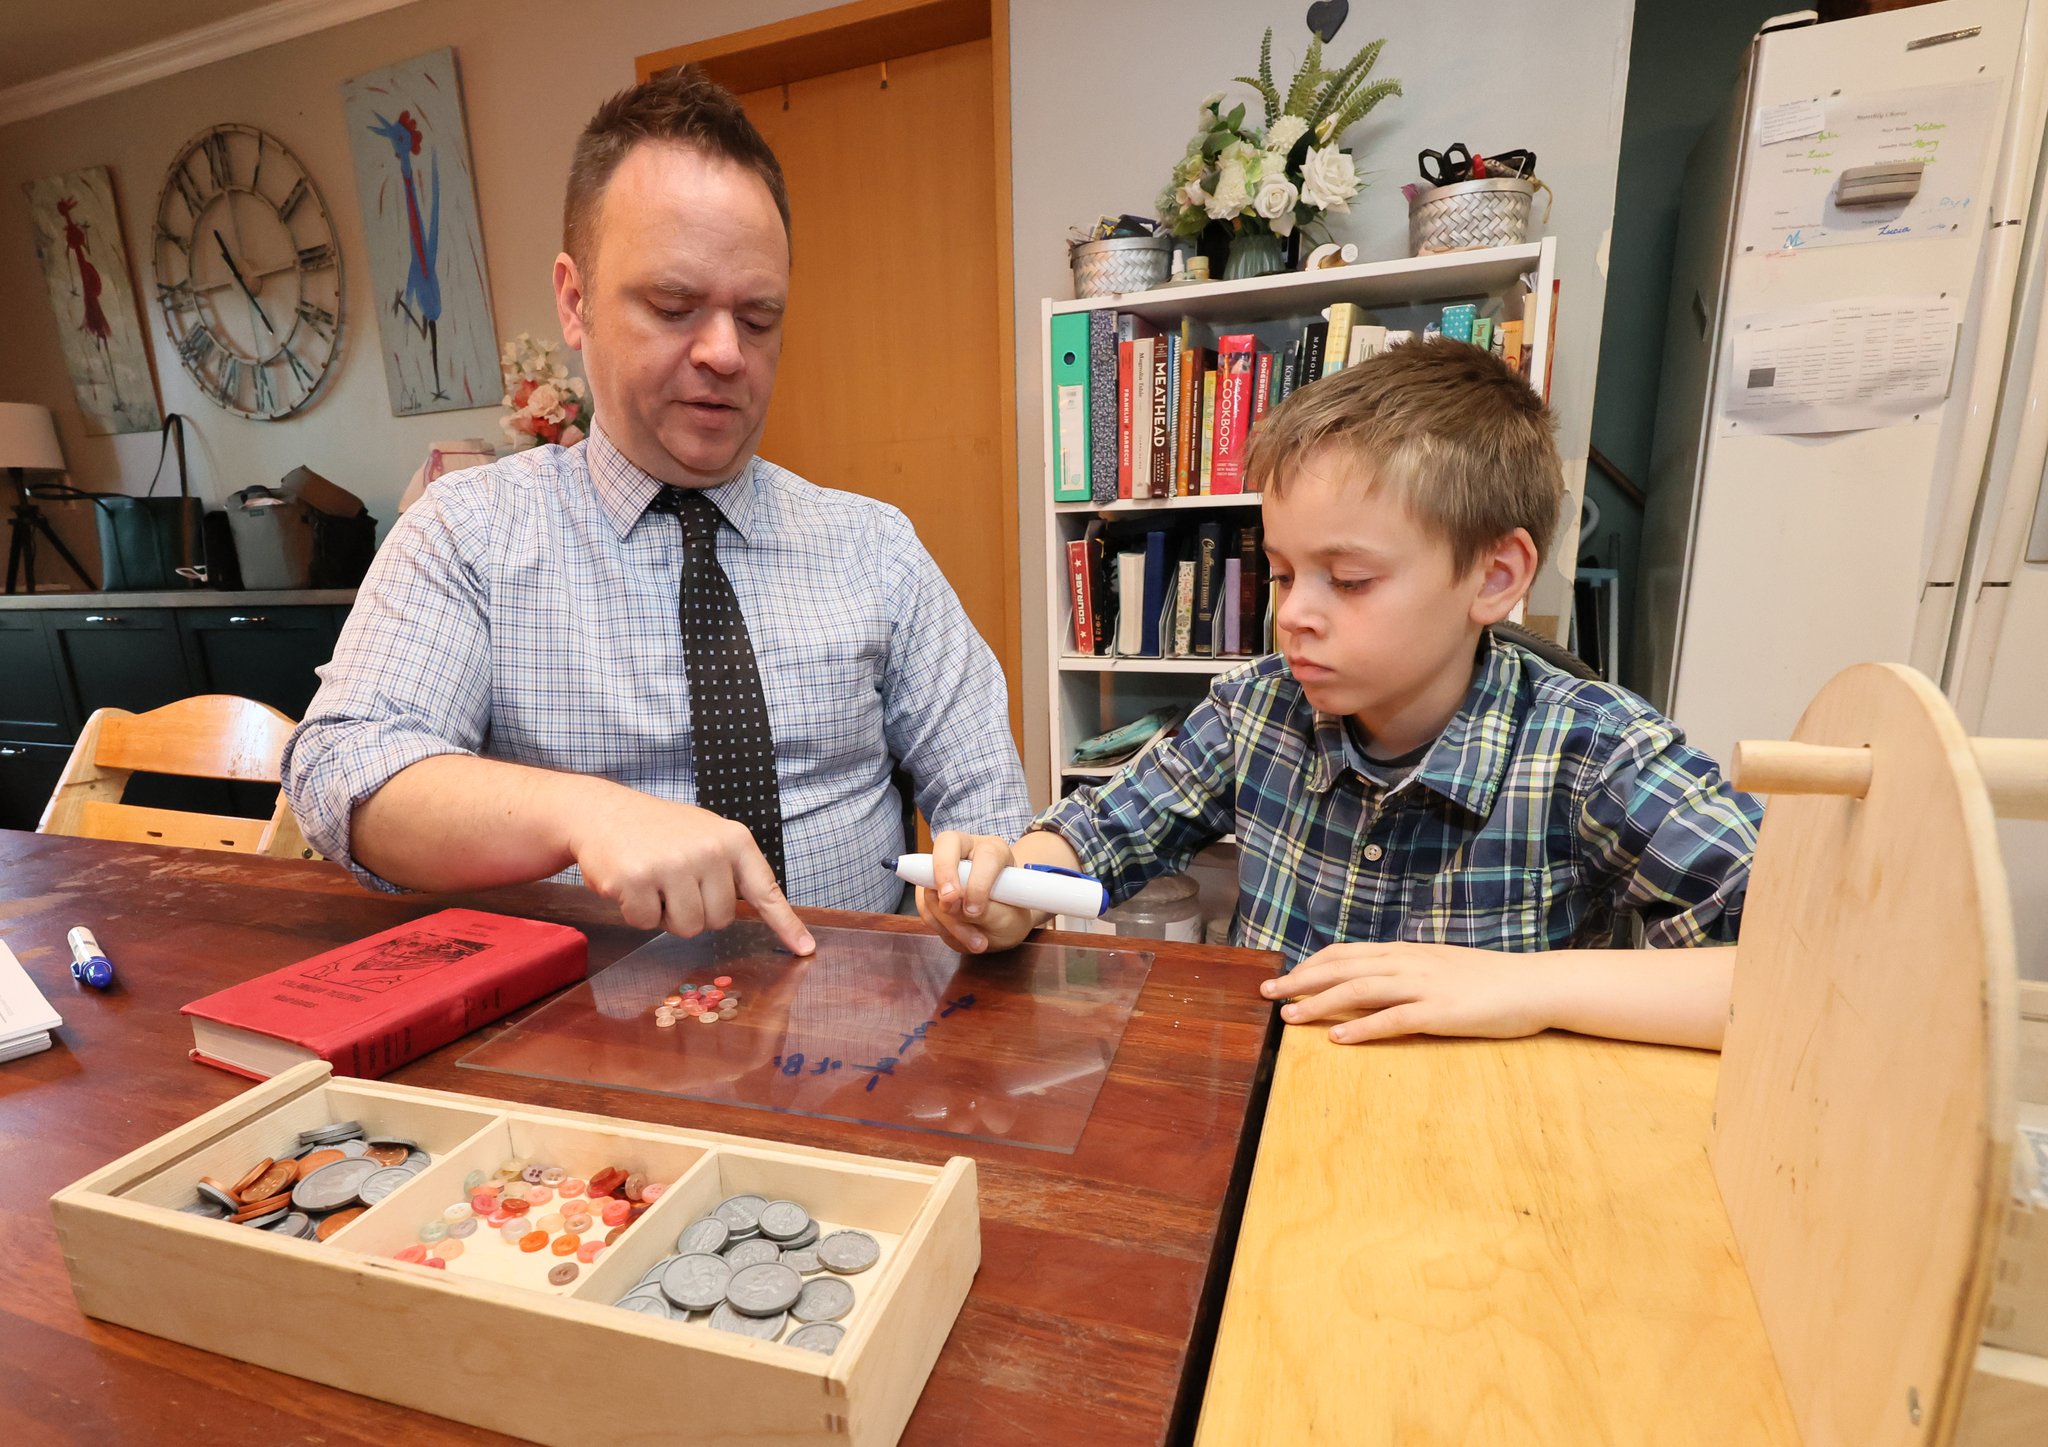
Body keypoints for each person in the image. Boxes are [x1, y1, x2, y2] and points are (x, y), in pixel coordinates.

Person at [284, 67, 1029, 955]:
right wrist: (586, 815)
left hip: (855, 1036)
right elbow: (340, 775)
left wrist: (998, 883)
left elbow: (990, 802)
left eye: (758, 319)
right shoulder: (469, 535)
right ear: (574, 300)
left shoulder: (876, 549)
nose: (724, 353)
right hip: (576, 1046)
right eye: (675, 307)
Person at [919, 339, 1761, 1051]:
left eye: (1349, 580)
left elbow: (1801, 973)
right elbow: (1099, 838)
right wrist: (1007, 890)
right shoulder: (1258, 709)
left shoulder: (1595, 752)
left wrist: (1529, 987)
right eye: (1282, 573)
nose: (1294, 615)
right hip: (1274, 1125)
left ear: (1495, 576)